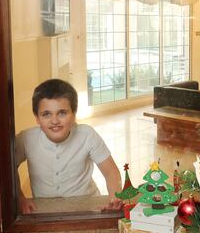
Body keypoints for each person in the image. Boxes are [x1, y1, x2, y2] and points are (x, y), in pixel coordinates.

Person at [15, 78, 123, 214]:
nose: (54, 121)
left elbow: (111, 172)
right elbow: (8, 167)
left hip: (88, 205)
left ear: (73, 115)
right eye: (46, 114)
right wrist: (19, 196)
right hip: (43, 209)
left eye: (62, 113)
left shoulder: (87, 134)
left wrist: (115, 199)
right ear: (37, 117)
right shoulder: (25, 138)